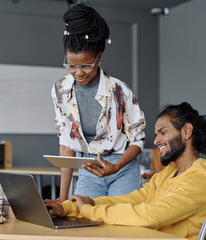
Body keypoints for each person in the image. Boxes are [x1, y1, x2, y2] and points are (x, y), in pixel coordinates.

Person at [45, 102, 206, 240]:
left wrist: (89, 211)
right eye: (157, 134)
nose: (156, 141)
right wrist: (69, 208)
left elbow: (149, 216)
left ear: (186, 131)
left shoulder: (202, 178)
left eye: (163, 133)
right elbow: (131, 200)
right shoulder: (168, 173)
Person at [51, 3, 146, 202]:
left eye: (86, 66)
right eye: (71, 65)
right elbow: (67, 144)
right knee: (85, 220)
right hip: (88, 167)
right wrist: (62, 197)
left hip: (122, 169)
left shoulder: (120, 91)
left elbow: (137, 140)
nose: (78, 73)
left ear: (99, 57)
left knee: (122, 225)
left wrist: (117, 166)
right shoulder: (61, 90)